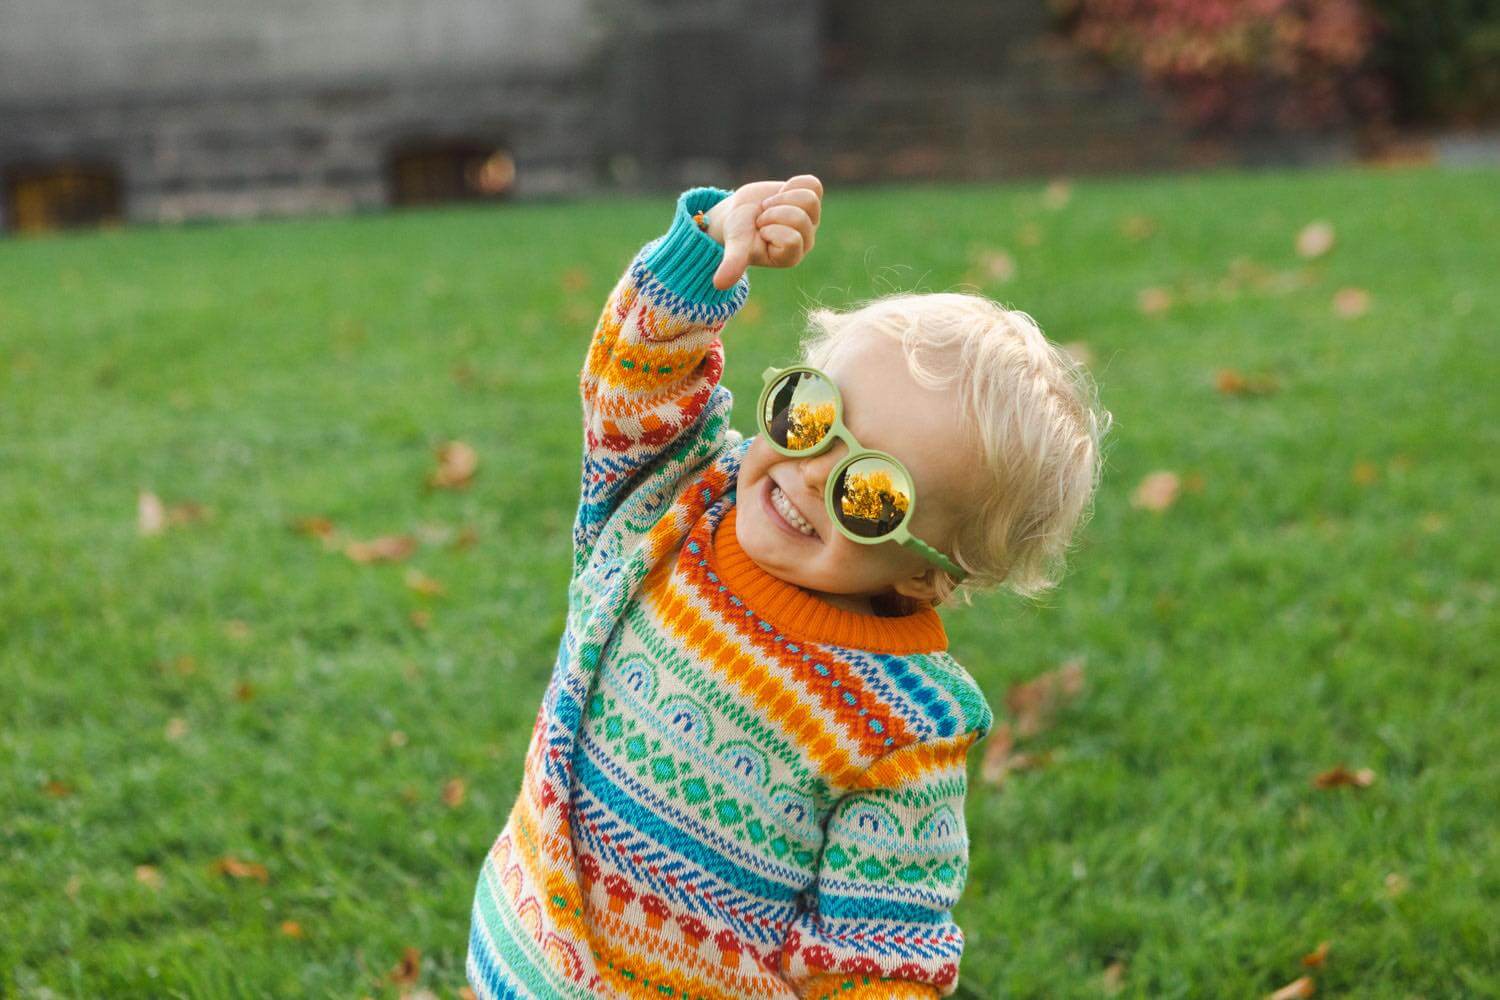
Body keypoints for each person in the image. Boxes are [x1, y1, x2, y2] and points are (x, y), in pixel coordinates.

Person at [466, 175, 1107, 999]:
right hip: (520, 948)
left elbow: (878, 955)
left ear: (926, 573)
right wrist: (707, 254)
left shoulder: (900, 729)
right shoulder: (676, 499)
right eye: (808, 415)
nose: (808, 473)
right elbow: (635, 386)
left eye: (868, 493)